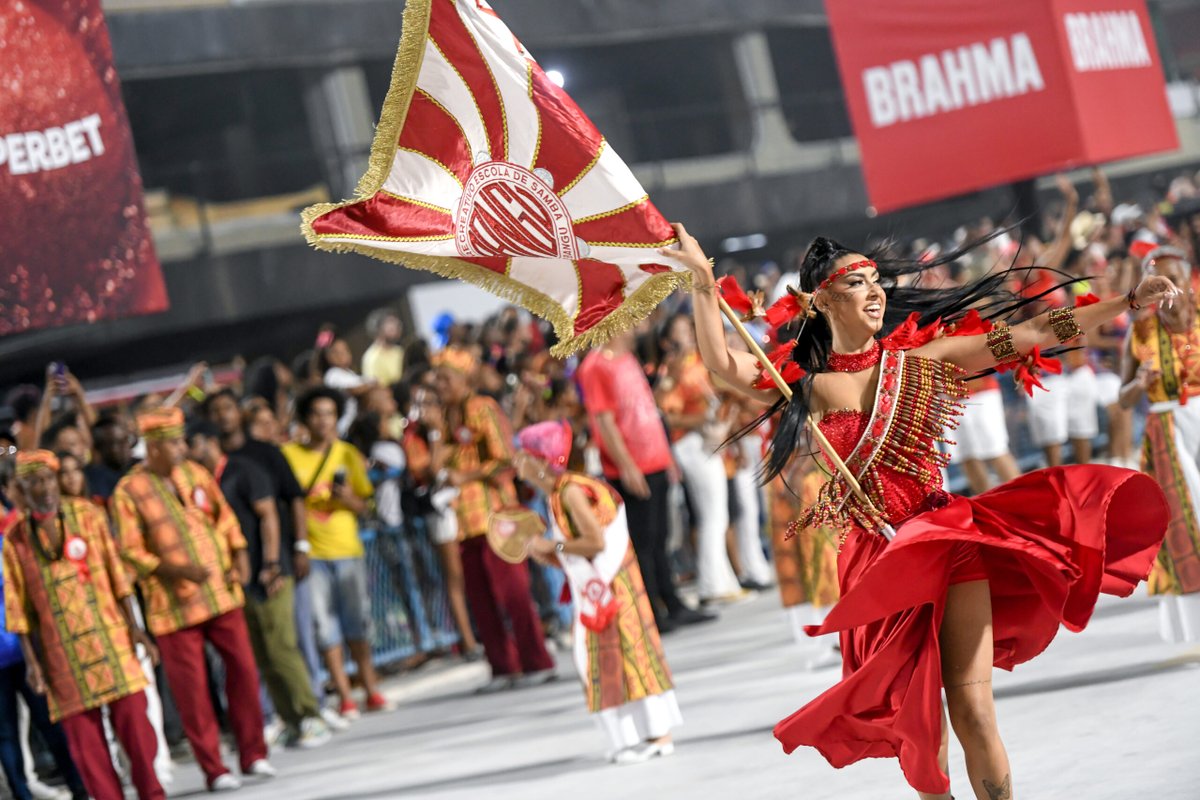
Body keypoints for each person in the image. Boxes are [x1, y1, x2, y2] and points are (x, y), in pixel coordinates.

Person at [666, 222, 1171, 800]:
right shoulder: (805, 385)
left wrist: (1126, 303)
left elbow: (1030, 333)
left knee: (974, 709)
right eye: (858, 283)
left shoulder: (927, 360)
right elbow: (723, 364)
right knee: (920, 729)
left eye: (878, 280)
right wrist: (704, 284)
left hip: (949, 539)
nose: (876, 291)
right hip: (879, 564)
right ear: (822, 300)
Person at [111, 407, 274, 792]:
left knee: (244, 671)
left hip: (221, 594)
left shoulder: (195, 474)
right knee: (193, 691)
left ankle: (253, 752)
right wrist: (175, 569)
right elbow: (130, 551)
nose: (182, 448)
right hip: (173, 607)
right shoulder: (128, 491)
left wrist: (239, 557)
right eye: (172, 443)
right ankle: (214, 768)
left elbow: (226, 519)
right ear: (152, 448)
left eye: (182, 440)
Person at [514, 421, 681, 764]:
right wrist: (547, 551)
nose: (517, 463)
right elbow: (578, 550)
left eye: (523, 455)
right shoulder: (559, 492)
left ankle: (657, 734)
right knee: (609, 658)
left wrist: (552, 544)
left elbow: (595, 541)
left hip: (612, 588)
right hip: (603, 586)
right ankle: (640, 736)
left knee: (628, 655)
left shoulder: (571, 491)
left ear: (542, 460)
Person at [3, 451, 166, 800]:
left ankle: (151, 793)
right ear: (21, 488)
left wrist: (136, 627)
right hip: (62, 654)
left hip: (110, 638)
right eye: (34, 482)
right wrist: (33, 664)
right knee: (85, 746)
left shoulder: (87, 515)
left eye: (48, 479)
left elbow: (116, 573)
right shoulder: (16, 539)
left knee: (136, 727)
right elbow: (19, 610)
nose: (44, 488)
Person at [186, 421, 331, 749]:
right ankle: (290, 719)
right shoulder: (203, 482)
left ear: (209, 443)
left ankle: (312, 714)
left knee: (281, 645)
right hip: (240, 580)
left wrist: (272, 563)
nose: (190, 455)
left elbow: (269, 515)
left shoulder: (243, 470)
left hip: (270, 572)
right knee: (262, 655)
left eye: (192, 446)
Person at [431, 348, 555, 692]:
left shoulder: (482, 407)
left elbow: (506, 460)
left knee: (514, 595)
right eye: (437, 379)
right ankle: (503, 667)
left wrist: (465, 477)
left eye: (445, 378)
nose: (438, 385)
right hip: (463, 522)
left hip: (497, 515)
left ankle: (537, 661)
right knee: (481, 600)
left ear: (463, 379)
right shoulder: (443, 417)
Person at [576, 332, 715, 630]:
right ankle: (652, 610)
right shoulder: (595, 366)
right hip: (632, 466)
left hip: (654, 459)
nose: (638, 324)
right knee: (644, 540)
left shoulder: (627, 359)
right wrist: (625, 465)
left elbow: (648, 412)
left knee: (660, 536)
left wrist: (667, 458)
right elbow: (603, 421)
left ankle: (672, 602)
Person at [282, 388, 389, 718]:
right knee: (325, 628)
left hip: (347, 550)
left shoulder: (347, 454)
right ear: (305, 419)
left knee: (357, 624)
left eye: (329, 413)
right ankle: (344, 696)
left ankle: (371, 690)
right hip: (311, 555)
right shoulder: (289, 455)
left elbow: (366, 504)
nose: (323, 421)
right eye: (316, 414)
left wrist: (348, 501)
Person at [1120, 243, 1200, 643]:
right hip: (1167, 426)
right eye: (1160, 281)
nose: (1170, 288)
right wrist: (1139, 384)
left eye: (1175, 278)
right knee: (1186, 522)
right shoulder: (1140, 332)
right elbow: (1122, 399)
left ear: (1188, 279)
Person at [0, 458, 89, 800]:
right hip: (22, 647)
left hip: (25, 647)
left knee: (46, 724)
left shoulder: (18, 531)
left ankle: (78, 786)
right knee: (14, 731)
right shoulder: (18, 532)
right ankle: (42, 791)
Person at [361, 309, 406, 388]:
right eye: (391, 323)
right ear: (378, 328)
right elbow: (379, 388)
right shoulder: (372, 358)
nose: (397, 327)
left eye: (397, 323)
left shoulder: (399, 351)